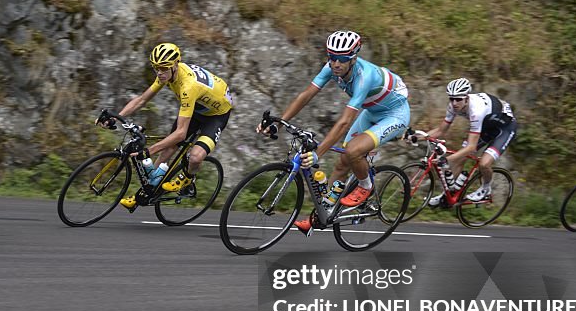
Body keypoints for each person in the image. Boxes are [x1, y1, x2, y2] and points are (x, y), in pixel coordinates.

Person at [259, 30, 410, 234]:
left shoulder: (365, 76)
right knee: (341, 164)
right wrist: (279, 122)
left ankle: (366, 186)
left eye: (342, 59)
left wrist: (317, 154)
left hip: (395, 114)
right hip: (372, 111)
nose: (336, 63)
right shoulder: (331, 67)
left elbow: (345, 121)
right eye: (332, 58)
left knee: (352, 151)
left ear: (353, 58)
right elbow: (306, 95)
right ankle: (322, 214)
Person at [102, 42, 234, 210]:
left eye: (163, 68)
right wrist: (117, 117)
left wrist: (149, 151)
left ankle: (188, 179)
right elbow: (141, 100)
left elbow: (180, 133)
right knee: (168, 149)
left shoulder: (188, 86)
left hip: (217, 114)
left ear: (175, 65)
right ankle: (146, 191)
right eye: (156, 68)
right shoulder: (167, 73)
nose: (159, 72)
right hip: (197, 108)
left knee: (195, 156)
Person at [415, 78, 517, 205]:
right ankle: (447, 196)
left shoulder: (476, 110)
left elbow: (471, 147)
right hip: (486, 127)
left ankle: (486, 189)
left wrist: (447, 159)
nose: (454, 103)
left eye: (458, 99)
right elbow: (441, 130)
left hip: (504, 129)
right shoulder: (453, 106)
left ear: (467, 98)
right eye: (451, 99)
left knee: (484, 164)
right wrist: (417, 136)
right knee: (460, 157)